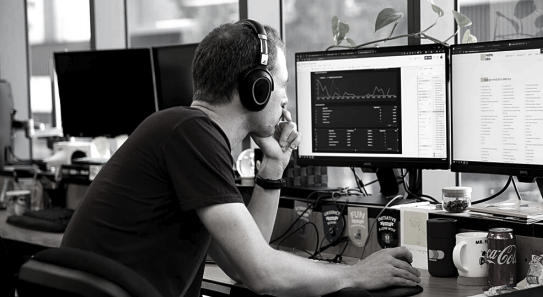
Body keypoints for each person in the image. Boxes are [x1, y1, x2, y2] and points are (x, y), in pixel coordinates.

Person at [61, 20, 421, 297]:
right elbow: (261, 274)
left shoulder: (183, 130)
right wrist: (355, 274)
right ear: (257, 88)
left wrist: (274, 168)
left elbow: (240, 261)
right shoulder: (191, 133)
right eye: (281, 85)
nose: (285, 101)